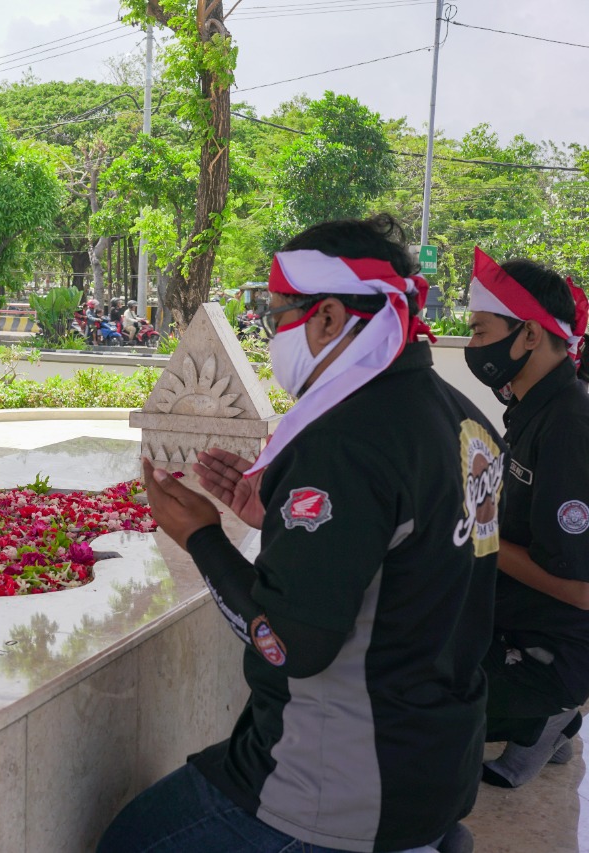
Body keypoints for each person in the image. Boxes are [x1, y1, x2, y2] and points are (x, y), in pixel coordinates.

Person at [99, 215, 500, 853]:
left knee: (130, 842)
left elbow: (290, 645)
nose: (269, 332)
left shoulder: (346, 440)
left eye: (275, 313)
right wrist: (277, 515)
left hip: (341, 782)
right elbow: (400, 561)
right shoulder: (461, 417)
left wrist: (201, 535)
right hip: (437, 755)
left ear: (330, 318)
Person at [463, 247, 589, 789]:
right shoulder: (533, 405)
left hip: (550, 642)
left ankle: (549, 709)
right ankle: (554, 725)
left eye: (480, 330)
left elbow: (582, 590)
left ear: (531, 335)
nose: (472, 345)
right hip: (520, 614)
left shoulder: (569, 424)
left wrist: (478, 532)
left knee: (409, 686)